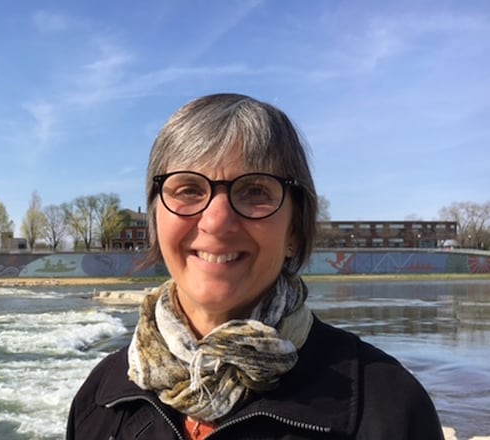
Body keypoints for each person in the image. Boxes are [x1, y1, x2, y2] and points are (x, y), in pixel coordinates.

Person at [66, 93, 444, 439]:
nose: (215, 221)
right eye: (188, 190)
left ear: (294, 229)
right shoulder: (101, 397)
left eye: (255, 191)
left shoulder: (388, 407)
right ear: (156, 219)